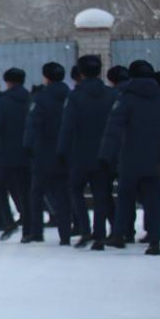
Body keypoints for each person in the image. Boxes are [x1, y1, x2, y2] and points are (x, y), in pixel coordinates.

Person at [100, 60, 160, 255]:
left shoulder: (125, 98)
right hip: (155, 157)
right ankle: (154, 241)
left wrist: (105, 155)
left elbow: (113, 129)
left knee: (125, 196)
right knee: (153, 199)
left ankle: (120, 235)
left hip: (129, 156)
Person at [58, 55, 115, 250]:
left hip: (79, 153)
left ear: (80, 73)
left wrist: (62, 152)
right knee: (101, 194)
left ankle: (85, 229)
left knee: (75, 190)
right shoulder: (111, 95)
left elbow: (67, 127)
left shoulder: (75, 96)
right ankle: (99, 234)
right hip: (104, 153)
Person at [22, 62, 72, 244]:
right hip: (65, 152)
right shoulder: (70, 95)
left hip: (44, 152)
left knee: (36, 193)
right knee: (62, 194)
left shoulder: (40, 98)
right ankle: (65, 235)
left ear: (46, 77)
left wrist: (28, 147)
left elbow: (32, 124)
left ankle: (37, 232)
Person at [0, 68, 31, 241]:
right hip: (26, 152)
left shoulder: (2, 102)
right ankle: (28, 229)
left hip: (5, 154)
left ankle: (8, 221)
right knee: (25, 191)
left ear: (8, 82)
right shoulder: (30, 99)